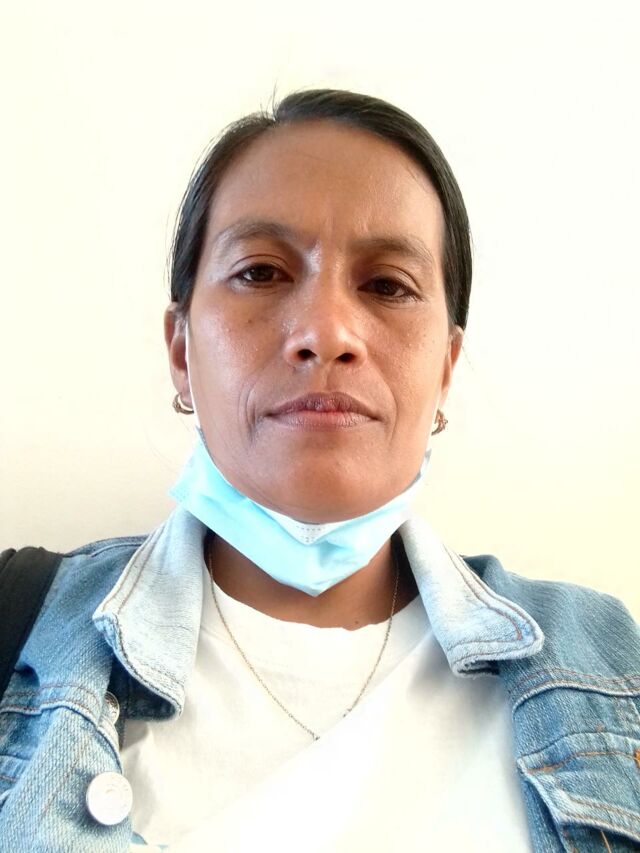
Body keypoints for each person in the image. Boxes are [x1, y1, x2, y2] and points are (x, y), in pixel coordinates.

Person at [0, 88, 638, 853]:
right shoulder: (19, 626)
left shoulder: (610, 665)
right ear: (181, 350)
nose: (327, 332)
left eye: (388, 285)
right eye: (261, 272)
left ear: (445, 366)